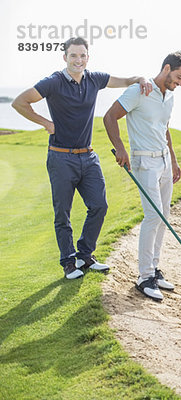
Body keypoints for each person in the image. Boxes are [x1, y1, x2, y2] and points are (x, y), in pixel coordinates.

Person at [12, 36, 152, 280]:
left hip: (88, 157)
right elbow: (19, 102)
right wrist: (46, 123)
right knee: (62, 213)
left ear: (88, 57)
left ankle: (85, 255)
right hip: (60, 157)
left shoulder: (94, 79)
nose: (78, 60)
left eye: (82, 55)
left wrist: (140, 78)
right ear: (65, 57)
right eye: (73, 55)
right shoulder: (53, 82)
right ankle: (68, 262)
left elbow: (125, 80)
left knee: (99, 206)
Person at [103, 51, 181, 301]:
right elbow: (110, 117)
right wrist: (120, 148)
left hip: (164, 161)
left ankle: (153, 268)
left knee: (163, 215)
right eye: (178, 77)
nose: (180, 83)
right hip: (144, 161)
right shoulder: (139, 91)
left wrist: (173, 160)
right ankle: (144, 277)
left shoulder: (169, 97)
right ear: (166, 68)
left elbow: (165, 128)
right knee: (153, 215)